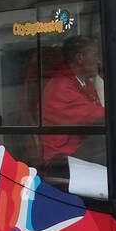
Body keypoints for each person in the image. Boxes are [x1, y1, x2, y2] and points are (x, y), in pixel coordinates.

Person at [41, 35, 105, 167]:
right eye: (95, 55)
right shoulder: (61, 87)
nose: (98, 61)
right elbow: (96, 117)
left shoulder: (83, 83)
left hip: (78, 147)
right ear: (80, 58)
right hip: (62, 158)